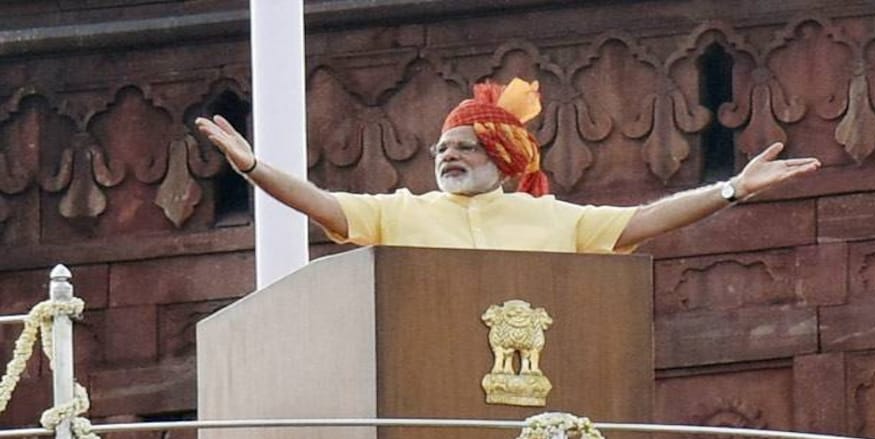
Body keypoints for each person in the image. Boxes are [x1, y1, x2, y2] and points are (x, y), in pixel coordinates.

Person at [195, 78, 820, 253]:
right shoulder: (402, 213)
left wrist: (732, 189)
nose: (448, 155)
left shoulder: (551, 220)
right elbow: (321, 205)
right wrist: (253, 168)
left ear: (503, 158)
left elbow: (640, 222)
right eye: (442, 148)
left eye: (464, 146)